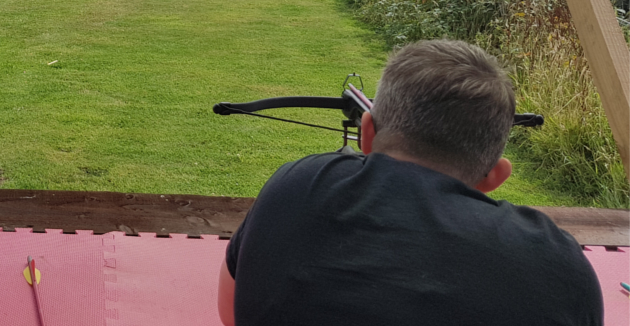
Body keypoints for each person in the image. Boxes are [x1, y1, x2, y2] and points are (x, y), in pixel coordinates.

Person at [218, 39, 602, 326]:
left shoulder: (297, 184)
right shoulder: (557, 265)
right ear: (495, 176)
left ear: (366, 134)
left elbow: (229, 309)